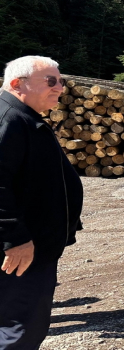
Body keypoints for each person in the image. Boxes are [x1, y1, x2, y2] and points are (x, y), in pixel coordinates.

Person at [0, 56, 84, 349]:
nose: (59, 87)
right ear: (16, 84)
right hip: (23, 251)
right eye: (50, 81)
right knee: (20, 329)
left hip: (36, 247)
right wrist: (15, 238)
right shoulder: (10, 120)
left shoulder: (25, 118)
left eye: (61, 81)